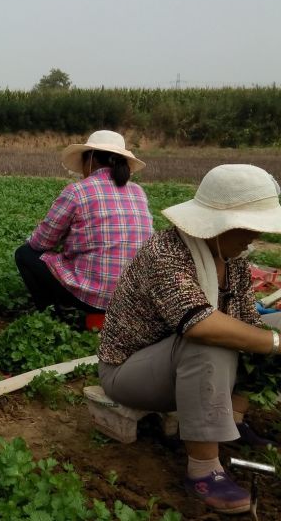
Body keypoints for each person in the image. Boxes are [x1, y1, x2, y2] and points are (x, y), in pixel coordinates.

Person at [98, 164, 281, 515]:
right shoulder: (165, 253)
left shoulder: (234, 261)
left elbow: (248, 320)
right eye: (250, 226)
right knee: (210, 339)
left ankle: (236, 420)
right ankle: (203, 470)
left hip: (177, 362)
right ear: (220, 223)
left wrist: (271, 335)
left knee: (268, 326)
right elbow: (197, 323)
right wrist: (273, 344)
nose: (254, 236)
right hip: (129, 371)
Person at [14, 130, 153, 319]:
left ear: (91, 159)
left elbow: (41, 243)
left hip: (95, 298)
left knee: (25, 254)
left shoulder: (78, 191)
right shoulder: (138, 192)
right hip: (131, 298)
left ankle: (54, 315)